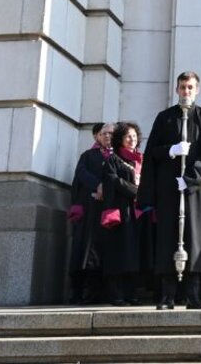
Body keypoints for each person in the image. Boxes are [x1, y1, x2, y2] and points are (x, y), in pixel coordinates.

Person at [136, 72, 201, 310]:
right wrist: (171, 150)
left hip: (194, 189)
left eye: (190, 87)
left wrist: (191, 179)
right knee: (168, 237)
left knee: (193, 237)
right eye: (182, 87)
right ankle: (167, 296)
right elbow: (152, 151)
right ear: (177, 90)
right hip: (169, 187)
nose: (186, 92)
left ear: (197, 90)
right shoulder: (165, 118)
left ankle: (193, 294)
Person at [98, 121, 143, 305]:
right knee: (118, 253)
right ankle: (117, 295)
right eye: (128, 137)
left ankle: (131, 293)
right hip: (120, 212)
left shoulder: (138, 159)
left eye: (134, 136)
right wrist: (137, 191)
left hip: (136, 214)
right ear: (120, 139)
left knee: (133, 255)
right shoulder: (113, 160)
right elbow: (114, 182)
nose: (132, 140)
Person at [67, 122, 113, 303]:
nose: (108, 136)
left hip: (109, 211)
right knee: (82, 251)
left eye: (111, 133)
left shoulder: (118, 157)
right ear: (97, 136)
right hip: (89, 210)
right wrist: (98, 185)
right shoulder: (88, 155)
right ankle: (78, 291)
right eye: (104, 133)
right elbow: (81, 174)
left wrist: (106, 188)